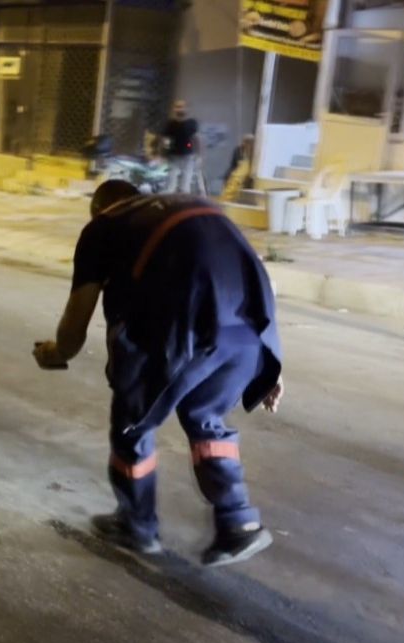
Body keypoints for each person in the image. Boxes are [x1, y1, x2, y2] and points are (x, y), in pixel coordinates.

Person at [33, 180, 284, 567]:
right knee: (206, 418)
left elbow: (77, 317)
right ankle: (239, 523)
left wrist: (57, 352)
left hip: (182, 334)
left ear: (99, 207)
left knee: (132, 424)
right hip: (248, 332)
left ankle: (136, 524)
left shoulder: (103, 226)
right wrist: (270, 365)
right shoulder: (200, 207)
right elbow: (255, 274)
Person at [162, 100, 201, 194]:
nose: (179, 109)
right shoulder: (170, 124)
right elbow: (166, 140)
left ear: (186, 109)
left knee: (185, 183)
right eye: (177, 107)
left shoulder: (191, 123)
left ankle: (184, 197)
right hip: (173, 156)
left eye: (182, 107)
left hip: (188, 155)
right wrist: (164, 153)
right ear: (174, 109)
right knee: (171, 182)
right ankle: (171, 198)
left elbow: (196, 139)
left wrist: (199, 155)